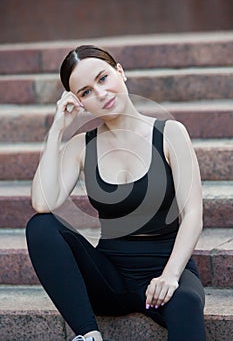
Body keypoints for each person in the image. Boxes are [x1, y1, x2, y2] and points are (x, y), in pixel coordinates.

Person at [26, 45, 206, 341]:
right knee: (41, 226)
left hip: (167, 266)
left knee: (186, 302)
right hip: (111, 275)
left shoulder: (170, 133)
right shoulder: (81, 146)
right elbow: (44, 202)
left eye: (102, 78)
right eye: (85, 92)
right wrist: (57, 130)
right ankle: (89, 335)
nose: (100, 93)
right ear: (79, 102)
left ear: (120, 72)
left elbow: (193, 215)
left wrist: (170, 276)